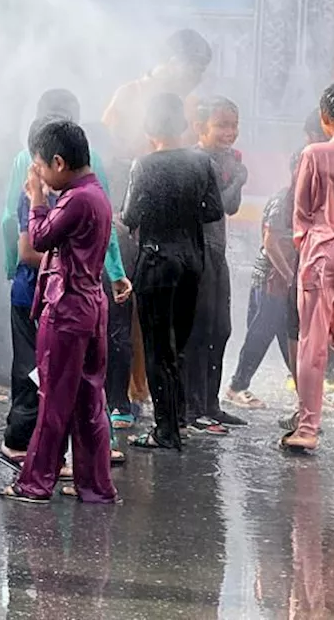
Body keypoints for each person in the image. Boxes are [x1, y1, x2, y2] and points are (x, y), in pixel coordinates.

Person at [0, 120, 117, 505]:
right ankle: (95, 485)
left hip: (66, 308)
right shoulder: (94, 194)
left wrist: (35, 198)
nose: (40, 176)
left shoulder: (77, 199)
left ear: (60, 163)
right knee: (87, 401)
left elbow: (41, 237)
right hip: (90, 305)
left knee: (53, 401)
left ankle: (35, 482)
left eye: (42, 167)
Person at [2, 90, 131, 432]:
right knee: (55, 373)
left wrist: (11, 267)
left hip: (62, 296)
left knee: (56, 373)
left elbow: (16, 230)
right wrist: (112, 271)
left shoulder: (72, 194)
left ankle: (51, 448)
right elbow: (34, 238)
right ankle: (34, 443)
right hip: (59, 294)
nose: (39, 172)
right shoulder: (77, 184)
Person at [103, 30, 212, 416]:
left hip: (175, 219)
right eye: (193, 70)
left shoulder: (190, 103)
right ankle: (132, 390)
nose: (195, 80)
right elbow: (111, 148)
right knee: (131, 302)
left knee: (175, 309)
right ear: (172, 61)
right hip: (132, 210)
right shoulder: (128, 94)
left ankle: (163, 394)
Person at [120, 94, 223, 450]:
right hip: (193, 261)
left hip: (156, 261)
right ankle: (177, 416)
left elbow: (130, 215)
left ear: (150, 128)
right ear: (181, 124)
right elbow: (212, 211)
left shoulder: (144, 165)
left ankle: (165, 430)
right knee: (179, 342)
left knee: (156, 346)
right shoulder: (201, 162)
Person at [185, 97, 248, 434]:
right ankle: (193, 408)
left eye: (234, 125)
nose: (230, 132)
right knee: (198, 331)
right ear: (200, 127)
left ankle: (211, 404)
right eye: (222, 125)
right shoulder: (195, 160)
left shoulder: (226, 160)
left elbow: (232, 208)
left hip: (216, 252)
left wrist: (236, 177)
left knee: (220, 329)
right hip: (197, 253)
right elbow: (213, 207)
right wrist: (238, 179)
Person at [283, 82, 334, 454]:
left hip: (323, 255)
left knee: (312, 346)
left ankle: (307, 429)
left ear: (324, 117)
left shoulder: (315, 153)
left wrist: (306, 246)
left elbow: (301, 213)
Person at [225, 171, 296, 409]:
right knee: (262, 332)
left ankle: (305, 388)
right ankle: (236, 386)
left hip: (287, 278)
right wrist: (289, 276)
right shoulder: (285, 199)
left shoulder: (308, 196)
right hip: (272, 277)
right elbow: (270, 242)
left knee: (289, 334)